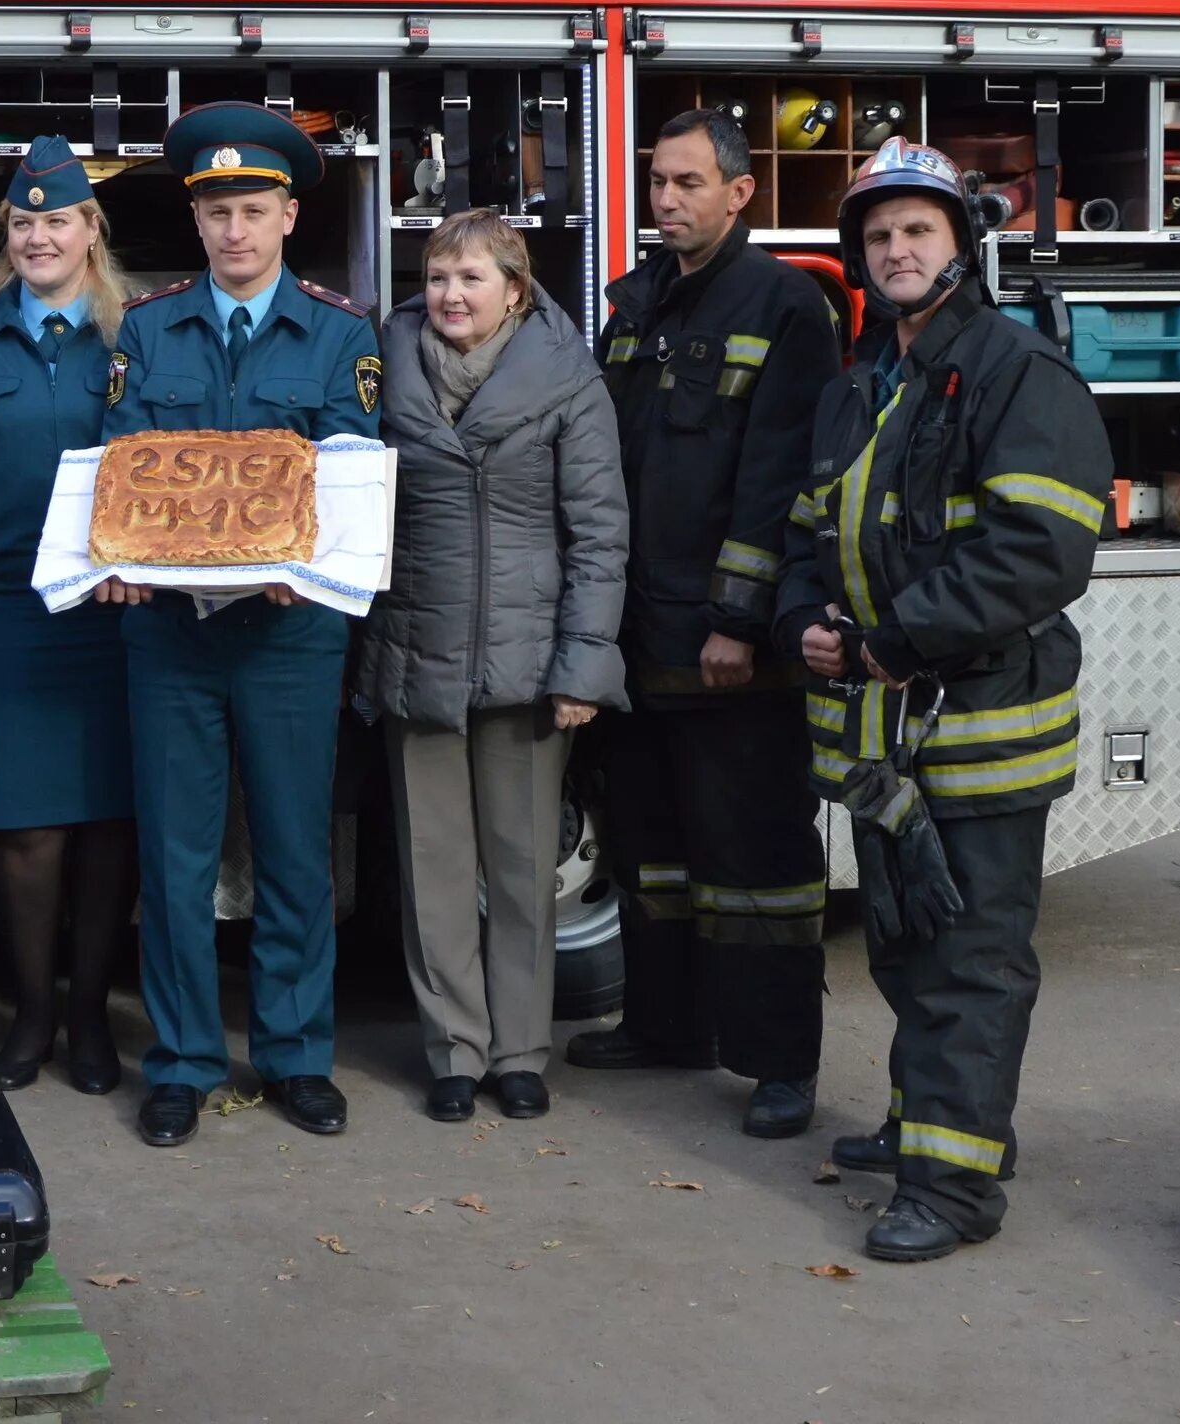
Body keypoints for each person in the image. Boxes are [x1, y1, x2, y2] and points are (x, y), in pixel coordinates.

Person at [775, 139, 1111, 1262]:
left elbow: (1040, 552)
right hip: (885, 729)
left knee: (971, 953)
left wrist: (890, 640)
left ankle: (955, 1188)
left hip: (980, 723)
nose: (895, 249)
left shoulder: (1020, 375)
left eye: (917, 230)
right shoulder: (861, 385)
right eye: (877, 235)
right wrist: (804, 623)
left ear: (962, 244)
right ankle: (938, 1124)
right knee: (909, 943)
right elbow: (808, 534)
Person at [98, 103, 377, 1149]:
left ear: (289, 214)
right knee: (173, 859)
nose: (233, 230)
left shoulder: (341, 333)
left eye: (253, 208)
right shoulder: (149, 328)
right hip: (169, 635)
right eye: (216, 210)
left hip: (291, 633)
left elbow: (349, 474)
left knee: (298, 851)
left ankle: (298, 1054)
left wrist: (304, 567)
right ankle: (180, 1062)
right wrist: (118, 564)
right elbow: (124, 462)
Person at [578, 107, 839, 1140]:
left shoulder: (784, 306)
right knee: (654, 853)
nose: (666, 199)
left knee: (756, 865)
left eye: (687, 182)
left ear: (741, 192)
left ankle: (779, 1063)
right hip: (641, 642)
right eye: (657, 182)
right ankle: (666, 1023)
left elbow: (782, 477)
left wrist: (740, 615)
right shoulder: (636, 306)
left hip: (732, 655)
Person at [354, 211, 628, 1123]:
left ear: (515, 288)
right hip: (416, 648)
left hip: (529, 656)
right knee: (431, 867)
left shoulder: (566, 376)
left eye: (471, 278)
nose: (449, 297)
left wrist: (582, 665)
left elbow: (598, 533)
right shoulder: (380, 361)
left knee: (519, 868)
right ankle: (452, 1051)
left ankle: (518, 1050)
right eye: (436, 278)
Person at [0, 140, 137, 1095]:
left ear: (91, 231)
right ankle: (33, 1015)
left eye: (57, 220)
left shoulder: (140, 334)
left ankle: (89, 1015)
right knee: (25, 828)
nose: (39, 236)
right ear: (6, 238)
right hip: (7, 605)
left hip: (118, 603)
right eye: (23, 223)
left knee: (107, 823)